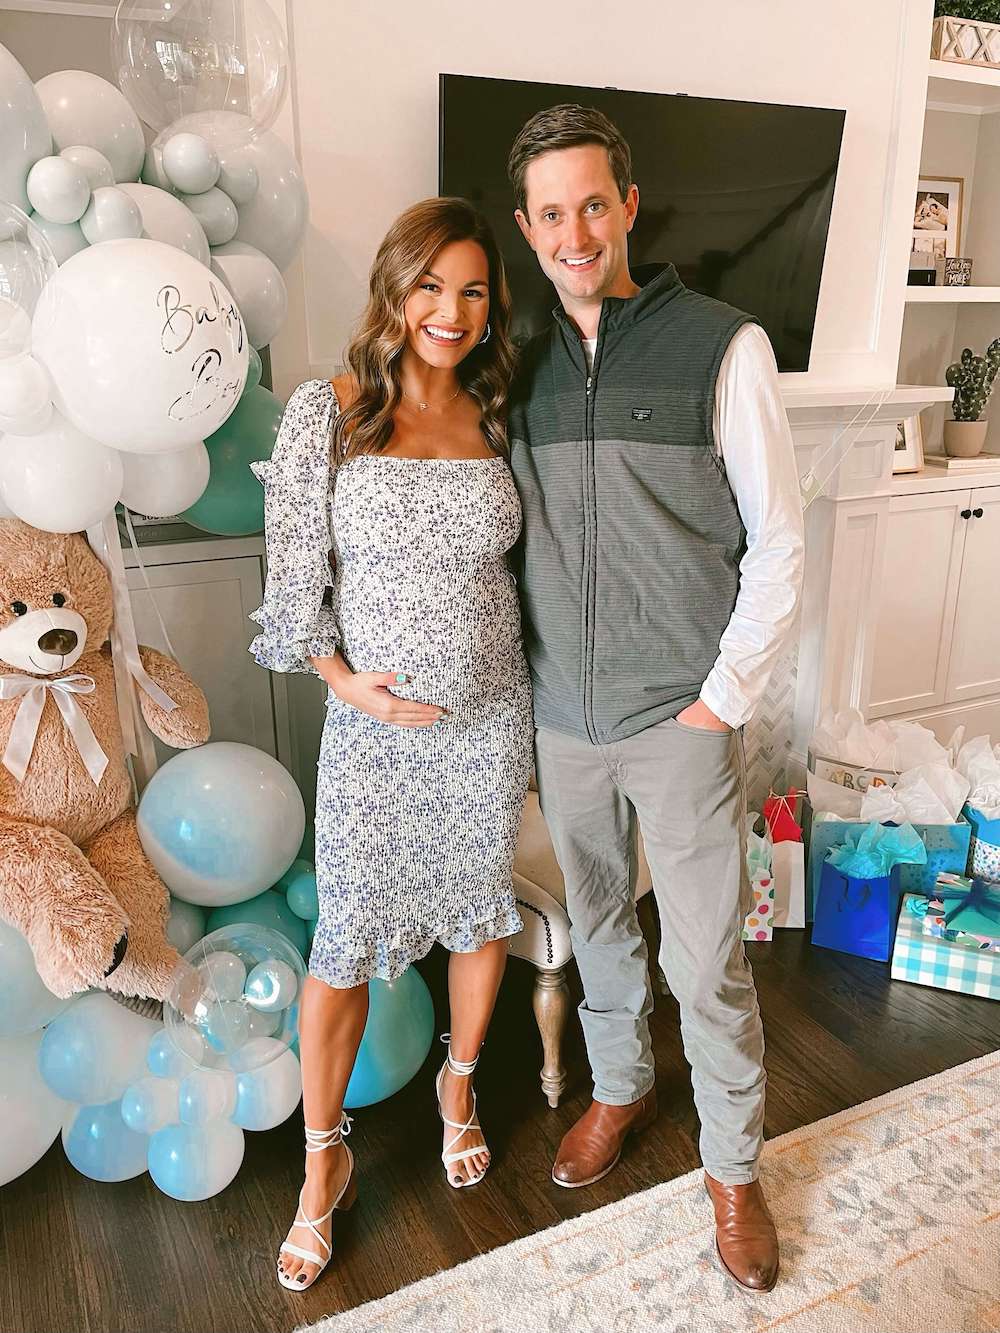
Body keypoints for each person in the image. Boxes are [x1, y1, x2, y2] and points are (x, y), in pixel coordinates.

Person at [505, 103, 805, 1293]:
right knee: (596, 931)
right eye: (548, 212)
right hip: (560, 720)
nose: (573, 230)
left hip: (678, 718)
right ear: (527, 230)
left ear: (627, 206)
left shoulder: (723, 344)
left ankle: (732, 1168)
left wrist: (719, 703)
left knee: (705, 960)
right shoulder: (513, 358)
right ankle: (620, 1090)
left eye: (592, 203)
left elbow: (779, 543)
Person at [249, 196, 533, 1292]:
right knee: (345, 946)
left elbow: (519, 576)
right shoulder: (330, 410)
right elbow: (293, 572)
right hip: (371, 740)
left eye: (472, 290)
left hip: (488, 719)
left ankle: (457, 1085)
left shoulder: (499, 415)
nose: (451, 311)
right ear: (394, 289)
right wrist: (338, 680)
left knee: (479, 909)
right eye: (431, 286)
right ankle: (324, 1163)